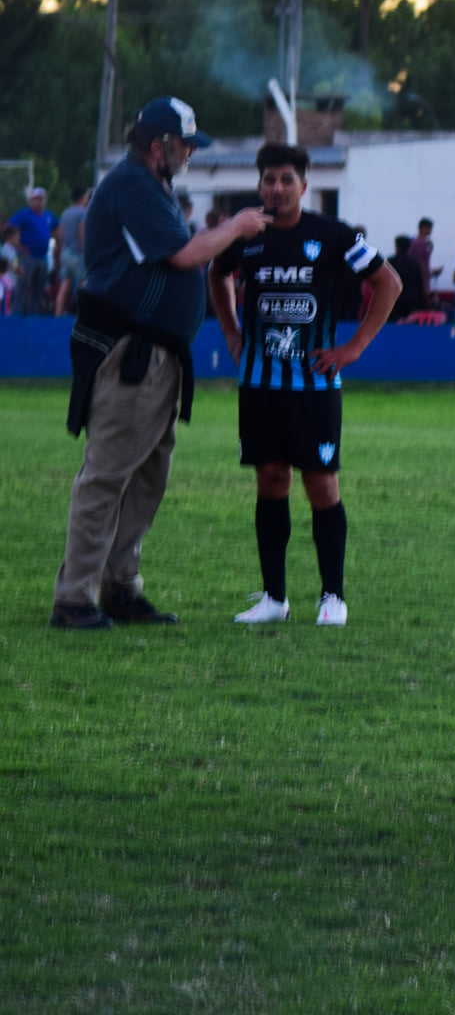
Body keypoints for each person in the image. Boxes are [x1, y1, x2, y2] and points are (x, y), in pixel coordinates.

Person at [53, 98, 271, 630]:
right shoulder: (132, 184)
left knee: (147, 478)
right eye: (187, 144)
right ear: (159, 146)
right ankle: (75, 598)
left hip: (156, 355)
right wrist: (240, 225)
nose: (192, 153)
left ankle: (120, 588)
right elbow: (184, 255)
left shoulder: (152, 186)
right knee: (107, 476)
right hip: (132, 353)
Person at [209, 144, 401, 627]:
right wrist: (232, 332)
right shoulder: (246, 235)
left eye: (286, 179)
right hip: (259, 383)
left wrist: (354, 347)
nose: (277, 187)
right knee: (270, 478)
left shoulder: (334, 236)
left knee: (321, 483)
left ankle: (332, 596)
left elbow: (390, 284)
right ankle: (274, 599)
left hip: (314, 386)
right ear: (259, 186)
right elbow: (216, 274)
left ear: (304, 186)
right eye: (269, 179)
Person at [9, 184, 54, 315]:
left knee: (38, 288)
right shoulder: (23, 214)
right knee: (22, 285)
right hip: (25, 257)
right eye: (37, 199)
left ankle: (32, 317)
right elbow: (10, 228)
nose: (39, 201)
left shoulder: (48, 215)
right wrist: (18, 245)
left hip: (42, 257)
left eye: (41, 199)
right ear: (31, 200)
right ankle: (16, 315)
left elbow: (58, 228)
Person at [53, 186, 91, 315]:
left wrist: (60, 249)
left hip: (65, 252)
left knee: (64, 285)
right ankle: (81, 314)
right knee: (82, 285)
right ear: (82, 197)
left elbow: (60, 233)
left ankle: (57, 313)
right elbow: (82, 232)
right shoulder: (82, 212)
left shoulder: (66, 212)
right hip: (77, 254)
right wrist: (84, 251)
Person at [388, 235, 429, 320]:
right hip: (411, 300)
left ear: (396, 247)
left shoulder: (390, 262)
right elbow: (419, 284)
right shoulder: (414, 264)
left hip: (394, 299)